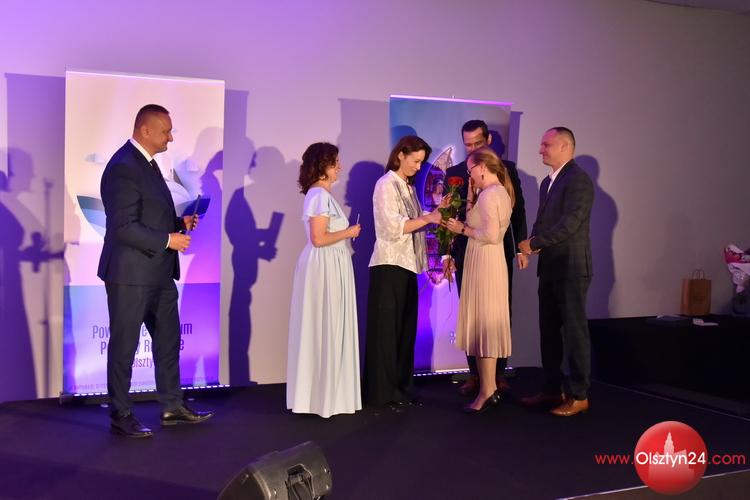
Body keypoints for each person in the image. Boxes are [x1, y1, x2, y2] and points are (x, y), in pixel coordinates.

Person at [98, 104, 213, 438]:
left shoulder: (146, 164)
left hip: (159, 274)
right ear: (145, 130)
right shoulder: (122, 167)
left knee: (168, 341)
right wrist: (168, 239)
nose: (171, 137)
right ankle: (121, 413)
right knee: (124, 347)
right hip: (130, 275)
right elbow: (123, 227)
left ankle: (172, 406)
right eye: (166, 131)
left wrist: (178, 223)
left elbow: (147, 215)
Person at [443, 120, 527, 397]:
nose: (472, 150)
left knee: (495, 311)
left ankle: (496, 375)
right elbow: (449, 215)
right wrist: (447, 253)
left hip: (494, 250)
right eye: (467, 145)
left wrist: (520, 248)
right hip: (467, 251)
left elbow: (517, 213)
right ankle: (476, 373)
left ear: (488, 141)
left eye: (477, 144)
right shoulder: (456, 173)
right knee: (473, 312)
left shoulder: (504, 173)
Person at [364, 136, 446, 408]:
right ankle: (382, 393)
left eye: (421, 162)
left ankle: (400, 388)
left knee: (405, 330)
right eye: (415, 161)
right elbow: (392, 227)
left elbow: (416, 223)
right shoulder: (386, 184)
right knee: (386, 332)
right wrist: (428, 217)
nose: (418, 167)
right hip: (389, 265)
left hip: (408, 265)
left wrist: (435, 213)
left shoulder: (407, 187)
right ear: (400, 154)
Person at [518, 127, 594, 417]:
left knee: (574, 333)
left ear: (564, 146)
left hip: (571, 268)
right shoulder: (548, 182)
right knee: (548, 331)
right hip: (550, 267)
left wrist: (536, 242)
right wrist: (531, 244)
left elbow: (570, 223)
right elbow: (542, 221)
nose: (541, 150)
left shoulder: (578, 180)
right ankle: (551, 390)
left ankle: (579, 395)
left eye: (546, 145)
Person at [286, 142, 362, 418]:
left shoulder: (322, 195)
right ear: (322, 165)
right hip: (325, 265)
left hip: (330, 264)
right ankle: (323, 398)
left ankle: (327, 395)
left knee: (328, 325)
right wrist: (349, 232)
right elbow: (318, 239)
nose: (339, 167)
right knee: (326, 325)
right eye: (334, 162)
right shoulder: (318, 195)